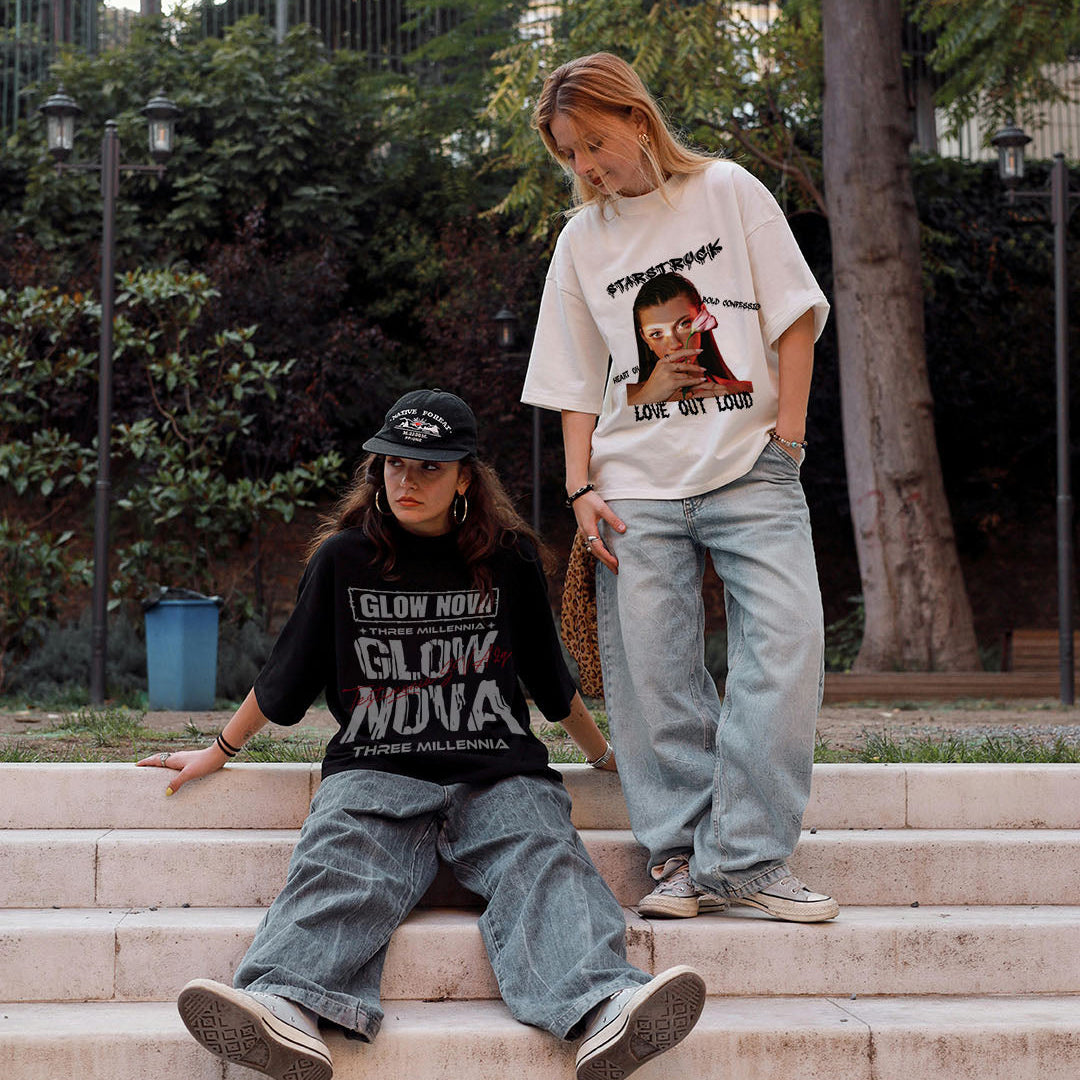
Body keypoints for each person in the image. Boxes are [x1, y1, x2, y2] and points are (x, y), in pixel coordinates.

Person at [136, 388, 706, 1080]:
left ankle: (607, 1007)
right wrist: (218, 751)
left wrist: (603, 755)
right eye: (394, 465)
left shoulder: (511, 560)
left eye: (428, 468)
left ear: (465, 476)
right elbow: (285, 676)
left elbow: (550, 680)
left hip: (498, 770)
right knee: (339, 863)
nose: (406, 481)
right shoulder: (343, 560)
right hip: (376, 769)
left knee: (545, 856)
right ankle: (283, 1007)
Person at [522, 52, 839, 924]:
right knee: (652, 682)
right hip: (635, 490)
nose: (585, 166)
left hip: (753, 471)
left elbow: (794, 318)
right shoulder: (581, 242)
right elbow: (575, 380)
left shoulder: (730, 191)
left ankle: (744, 861)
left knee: (786, 651)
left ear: (637, 117)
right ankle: (681, 856)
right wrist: (581, 489)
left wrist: (790, 441)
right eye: (568, 153)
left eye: (593, 141)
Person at [629, 272, 753, 405]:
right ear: (645, 338)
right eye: (656, 334)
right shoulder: (625, 399)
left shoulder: (742, 390)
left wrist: (730, 408)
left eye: (683, 324)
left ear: (702, 314)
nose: (674, 344)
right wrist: (646, 398)